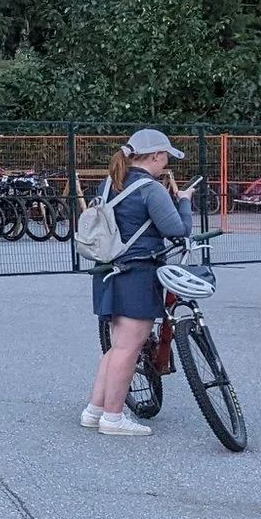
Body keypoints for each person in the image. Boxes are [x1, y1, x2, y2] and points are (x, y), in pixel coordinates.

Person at [82, 128, 194, 437]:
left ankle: (94, 410)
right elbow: (178, 230)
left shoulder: (109, 183)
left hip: (107, 270)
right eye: (166, 157)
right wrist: (184, 201)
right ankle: (114, 418)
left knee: (117, 347)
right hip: (137, 273)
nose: (166, 163)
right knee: (129, 349)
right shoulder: (151, 188)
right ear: (156, 155)